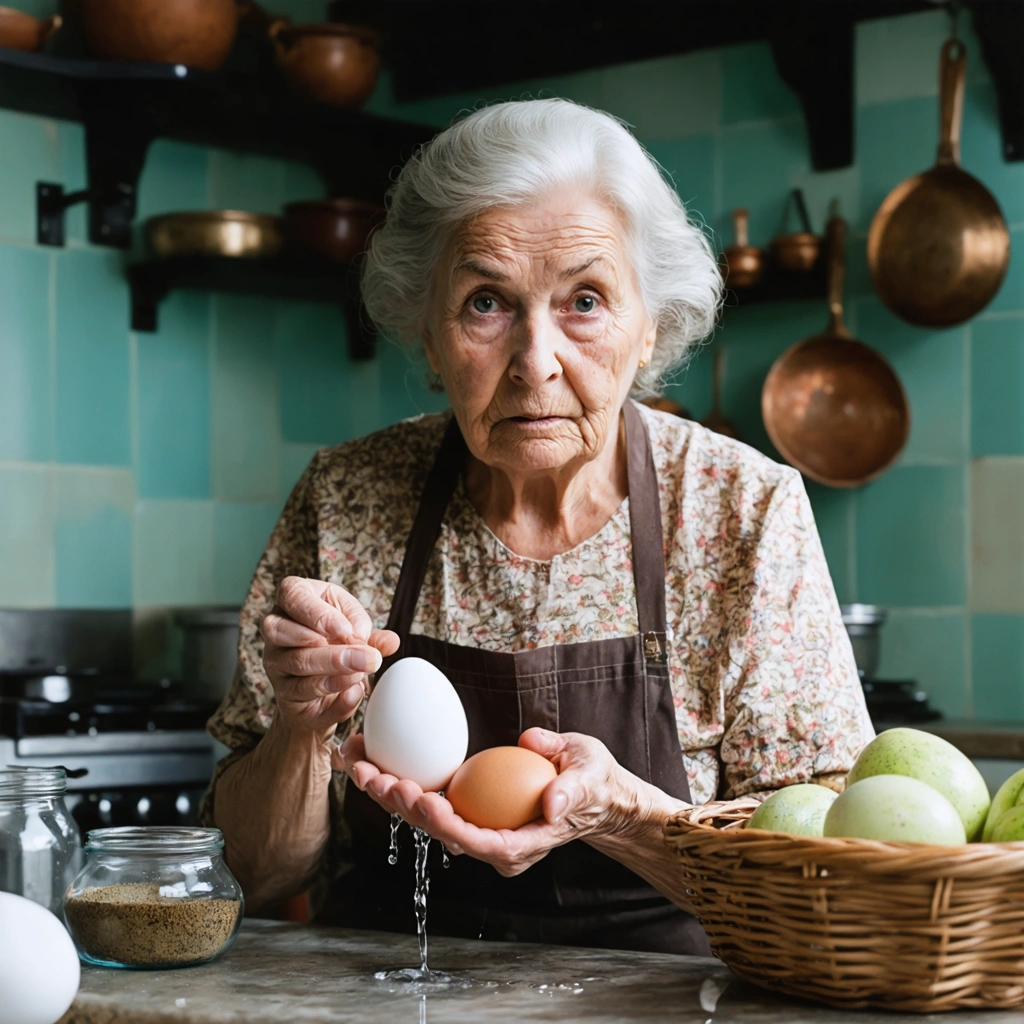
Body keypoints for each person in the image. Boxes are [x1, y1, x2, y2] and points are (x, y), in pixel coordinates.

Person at [202, 98, 873, 955]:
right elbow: (253, 878)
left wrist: (622, 815)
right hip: (375, 1000)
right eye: (487, 303)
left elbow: (827, 882)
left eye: (585, 300)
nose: (536, 361)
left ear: (650, 330)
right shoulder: (348, 496)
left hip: (674, 1006)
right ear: (428, 333)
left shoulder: (740, 508)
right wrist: (301, 728)